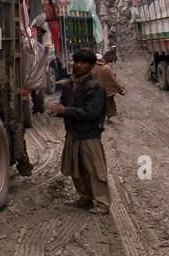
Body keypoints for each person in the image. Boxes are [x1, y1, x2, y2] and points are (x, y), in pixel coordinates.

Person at [47, 48, 111, 214]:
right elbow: (65, 105)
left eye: (83, 63)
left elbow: (91, 112)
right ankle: (85, 198)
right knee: (77, 169)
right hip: (73, 133)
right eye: (77, 61)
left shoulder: (94, 87)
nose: (79, 65)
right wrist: (57, 111)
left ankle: (102, 203)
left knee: (94, 170)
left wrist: (65, 111)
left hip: (89, 134)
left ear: (90, 66)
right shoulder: (69, 85)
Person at [94, 47, 126, 120]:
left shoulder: (91, 69)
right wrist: (120, 90)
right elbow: (114, 80)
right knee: (109, 104)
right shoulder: (107, 68)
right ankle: (108, 117)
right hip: (107, 92)